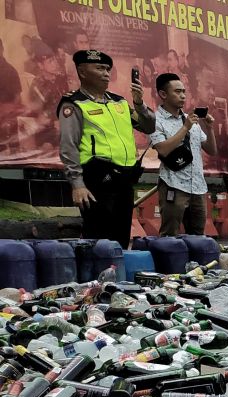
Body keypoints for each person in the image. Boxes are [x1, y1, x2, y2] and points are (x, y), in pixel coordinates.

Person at [58, 49, 155, 248]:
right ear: (82, 72)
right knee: (100, 242)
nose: (106, 73)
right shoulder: (74, 104)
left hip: (124, 180)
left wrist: (139, 103)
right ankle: (96, 278)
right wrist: (77, 184)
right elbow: (68, 146)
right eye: (99, 68)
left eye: (108, 69)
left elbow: (149, 127)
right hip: (96, 180)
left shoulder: (118, 102)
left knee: (120, 239)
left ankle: (114, 277)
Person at [149, 73, 216, 237]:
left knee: (198, 236)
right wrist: (185, 128)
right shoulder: (155, 120)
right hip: (173, 185)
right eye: (178, 92)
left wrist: (209, 127)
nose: (183, 96)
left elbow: (211, 150)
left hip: (198, 186)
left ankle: (195, 264)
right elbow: (163, 149)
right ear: (163, 94)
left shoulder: (189, 118)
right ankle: (170, 263)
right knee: (169, 234)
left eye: (184, 92)